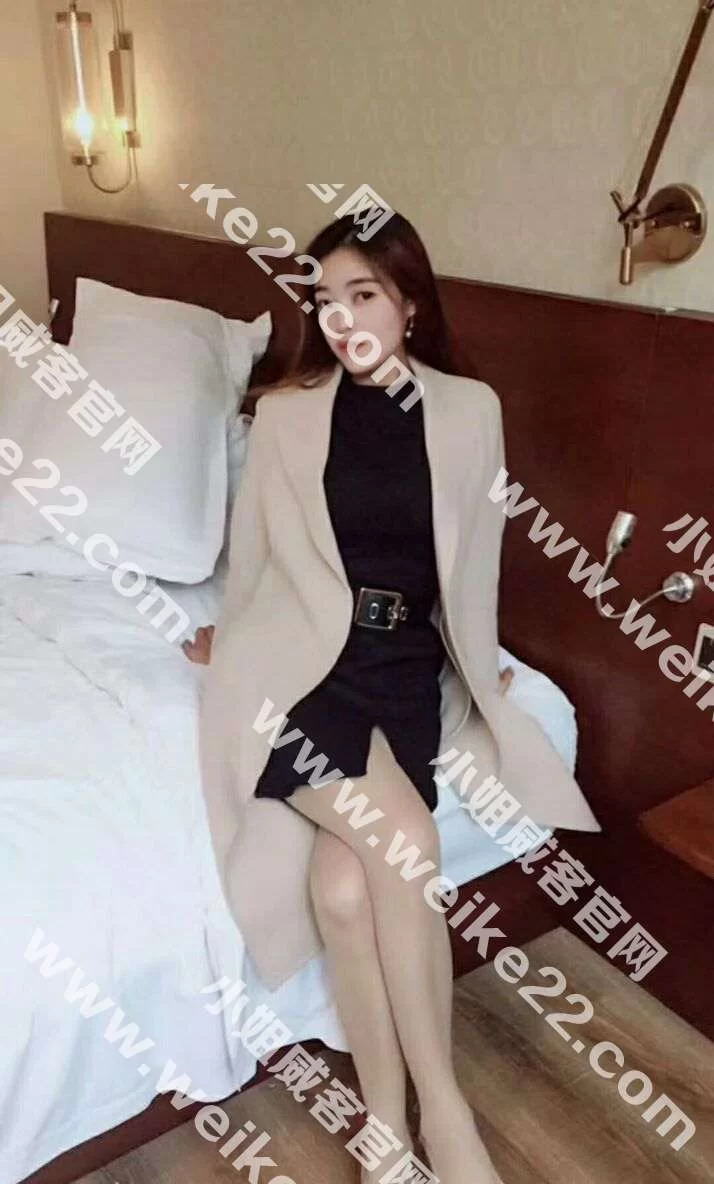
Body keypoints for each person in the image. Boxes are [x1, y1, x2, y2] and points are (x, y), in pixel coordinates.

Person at [187, 212, 518, 1184]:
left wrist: (483, 662)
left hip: (401, 663)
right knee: (406, 843)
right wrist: (230, 643)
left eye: (362, 294)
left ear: (410, 304)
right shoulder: (287, 412)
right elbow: (254, 559)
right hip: (299, 667)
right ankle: (443, 1114)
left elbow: (478, 562)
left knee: (342, 890)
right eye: (325, 299)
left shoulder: (471, 410)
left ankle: (383, 1125)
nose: (341, 318)